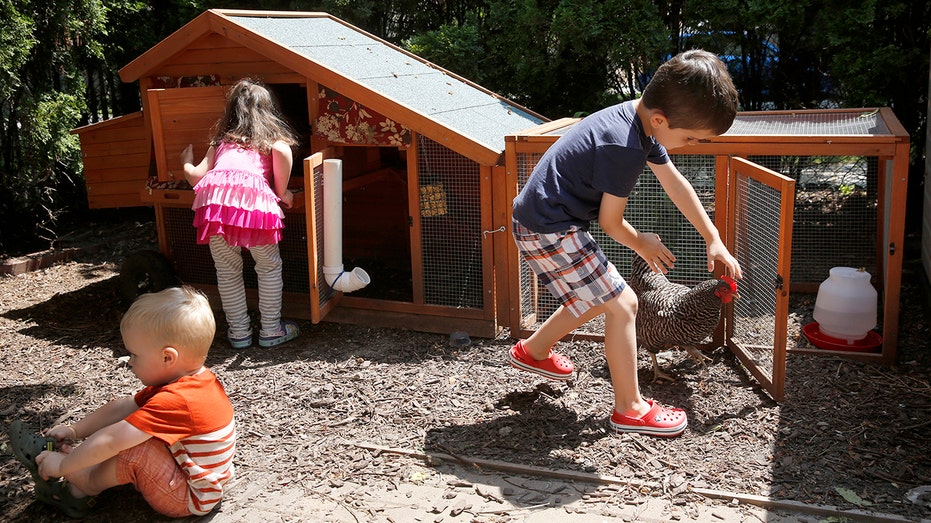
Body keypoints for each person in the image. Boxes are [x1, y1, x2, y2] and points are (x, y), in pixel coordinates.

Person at [509, 50, 744, 437]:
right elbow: (610, 223)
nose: (690, 145)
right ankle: (630, 409)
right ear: (660, 120)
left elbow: (675, 183)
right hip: (548, 227)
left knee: (595, 296)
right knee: (624, 303)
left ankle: (533, 351)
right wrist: (643, 243)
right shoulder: (624, 146)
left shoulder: (639, 121)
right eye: (690, 138)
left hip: (545, 220)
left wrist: (713, 238)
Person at [11, 286, 235, 518]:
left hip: (187, 497)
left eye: (135, 355)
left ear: (167, 357)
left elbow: (111, 440)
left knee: (135, 446)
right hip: (191, 477)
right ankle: (79, 466)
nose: (129, 361)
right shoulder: (192, 381)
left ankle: (83, 486)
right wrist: (74, 429)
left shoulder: (177, 400)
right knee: (133, 429)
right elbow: (122, 407)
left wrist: (62, 467)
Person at [181, 77, 300, 349]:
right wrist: (283, 193)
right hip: (255, 208)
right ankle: (271, 331)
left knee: (227, 270)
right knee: (268, 267)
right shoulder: (270, 141)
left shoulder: (221, 141)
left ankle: (239, 334)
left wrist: (185, 163)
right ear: (267, 111)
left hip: (217, 207)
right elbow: (283, 150)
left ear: (231, 110)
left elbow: (196, 177)